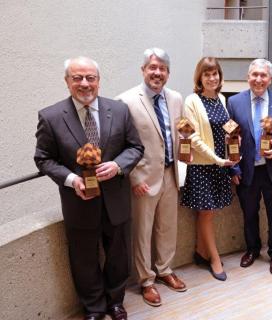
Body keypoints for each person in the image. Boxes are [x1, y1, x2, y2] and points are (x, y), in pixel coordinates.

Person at [34, 57, 144, 320]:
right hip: (78, 202)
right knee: (83, 259)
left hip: (116, 200)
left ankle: (115, 302)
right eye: (77, 78)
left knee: (118, 255)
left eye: (90, 78)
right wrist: (72, 179)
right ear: (67, 81)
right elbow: (43, 158)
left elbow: (136, 147)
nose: (85, 84)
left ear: (98, 80)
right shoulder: (50, 117)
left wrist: (117, 166)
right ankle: (93, 308)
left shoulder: (119, 110)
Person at [116, 48, 186, 307]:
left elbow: (180, 135)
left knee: (168, 227)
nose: (157, 73)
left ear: (168, 73)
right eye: (152, 67)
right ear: (143, 70)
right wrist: (133, 177)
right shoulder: (125, 101)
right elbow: (119, 145)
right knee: (142, 232)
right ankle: (146, 281)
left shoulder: (176, 98)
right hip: (143, 179)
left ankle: (165, 270)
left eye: (162, 69)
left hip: (171, 173)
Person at [227, 58, 272, 275]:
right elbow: (229, 137)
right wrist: (234, 169)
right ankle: (252, 249)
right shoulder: (234, 102)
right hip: (247, 170)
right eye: (254, 75)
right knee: (249, 213)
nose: (258, 79)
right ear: (248, 77)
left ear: (269, 78)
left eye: (263, 75)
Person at [182, 57, 238, 281]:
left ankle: (200, 252)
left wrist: (232, 143)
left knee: (207, 214)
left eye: (215, 73)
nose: (212, 78)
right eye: (207, 74)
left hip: (220, 165)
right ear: (200, 78)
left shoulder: (222, 99)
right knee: (206, 214)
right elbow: (193, 137)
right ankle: (215, 259)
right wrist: (217, 158)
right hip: (203, 166)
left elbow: (224, 130)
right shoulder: (192, 101)